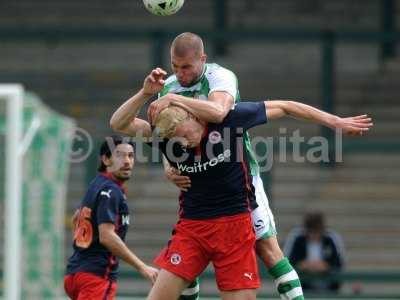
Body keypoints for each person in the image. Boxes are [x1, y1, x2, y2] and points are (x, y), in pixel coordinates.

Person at [109, 65, 372, 300]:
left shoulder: (228, 121)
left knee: (268, 257)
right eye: (176, 141)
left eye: (185, 135)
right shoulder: (167, 137)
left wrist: (334, 121)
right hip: (192, 228)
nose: (183, 144)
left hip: (234, 227)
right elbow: (118, 123)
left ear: (193, 117)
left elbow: (286, 106)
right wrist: (145, 93)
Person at [146, 31, 306, 300]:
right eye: (175, 66)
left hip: (235, 172)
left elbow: (218, 112)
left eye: (186, 67)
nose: (180, 73)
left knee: (267, 247)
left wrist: (175, 99)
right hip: (197, 174)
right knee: (188, 253)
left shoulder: (220, 77)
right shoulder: (168, 86)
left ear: (203, 59)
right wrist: (167, 165)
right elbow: (166, 131)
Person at [64, 136, 158, 300]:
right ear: (106, 159)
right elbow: (107, 236)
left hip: (74, 274)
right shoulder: (112, 191)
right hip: (96, 276)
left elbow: (76, 218)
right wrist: (142, 267)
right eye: (120, 156)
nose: (127, 161)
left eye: (131, 156)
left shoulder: (96, 184)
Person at [284, 212, 345, 293]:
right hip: (303, 286)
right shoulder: (297, 239)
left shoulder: (330, 239)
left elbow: (338, 263)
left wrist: (326, 266)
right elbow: (289, 261)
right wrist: (303, 265)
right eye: (311, 231)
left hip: (328, 286)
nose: (314, 235)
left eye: (317, 231)